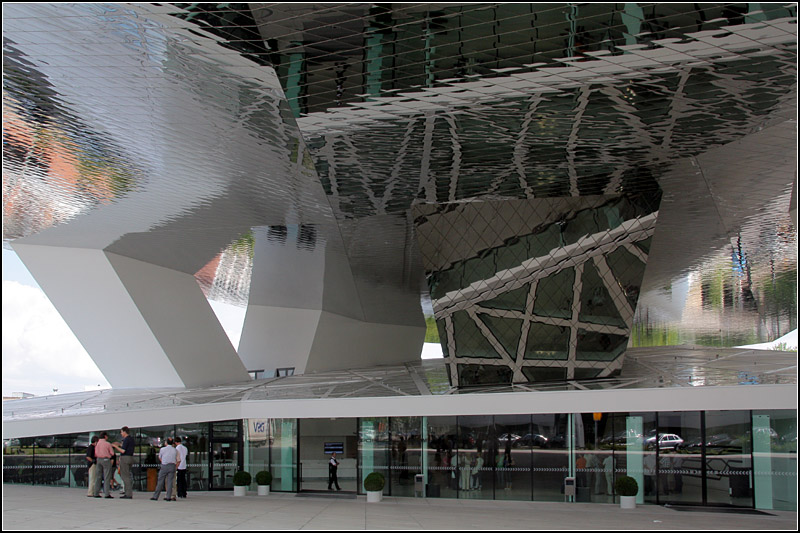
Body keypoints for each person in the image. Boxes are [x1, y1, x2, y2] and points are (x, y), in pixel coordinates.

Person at [111, 426, 135, 499]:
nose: (121, 433)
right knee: (128, 475)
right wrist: (119, 444)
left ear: (124, 432)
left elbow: (123, 451)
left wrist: (115, 446)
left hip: (125, 458)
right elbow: (126, 447)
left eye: (121, 432)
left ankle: (128, 494)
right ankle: (128, 492)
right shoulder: (131, 439)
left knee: (125, 476)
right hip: (130, 457)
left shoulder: (126, 439)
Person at [93, 432, 115, 498]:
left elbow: (95, 453)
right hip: (106, 459)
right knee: (107, 476)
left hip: (98, 459)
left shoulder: (97, 444)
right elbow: (112, 453)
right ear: (105, 436)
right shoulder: (107, 444)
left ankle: (96, 492)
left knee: (98, 476)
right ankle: (106, 493)